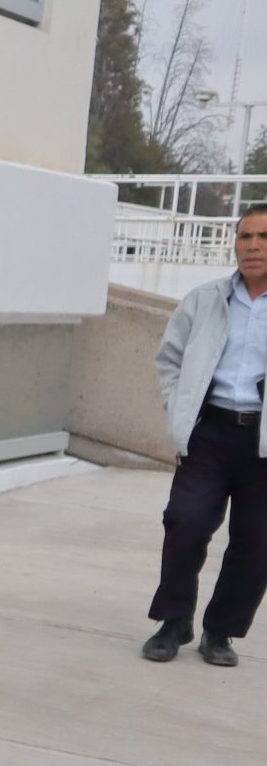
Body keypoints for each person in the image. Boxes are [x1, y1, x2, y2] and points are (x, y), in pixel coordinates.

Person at [143, 202, 267, 667]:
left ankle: (221, 632)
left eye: (264, 237)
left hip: (263, 444)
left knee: (257, 541)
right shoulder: (205, 299)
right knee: (185, 522)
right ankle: (173, 621)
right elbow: (169, 359)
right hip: (210, 432)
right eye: (245, 236)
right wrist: (180, 413)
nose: (253, 246)